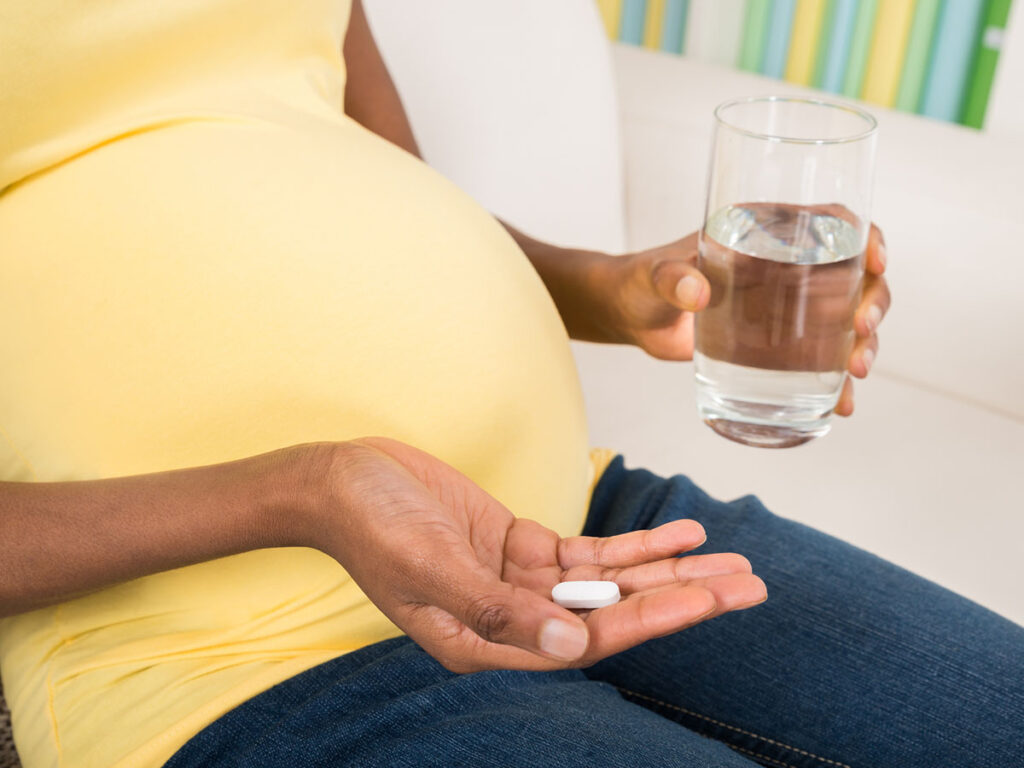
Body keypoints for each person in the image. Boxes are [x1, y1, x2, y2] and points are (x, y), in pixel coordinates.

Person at [0, 1, 1020, 766]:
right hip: (229, 656)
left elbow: (383, 180)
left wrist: (609, 289)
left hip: (562, 524)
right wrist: (307, 489)